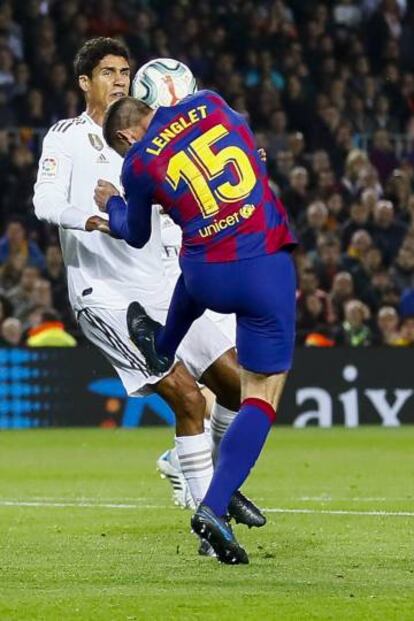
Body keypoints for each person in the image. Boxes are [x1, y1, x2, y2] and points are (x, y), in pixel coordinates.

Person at [33, 38, 264, 551]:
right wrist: (92, 216)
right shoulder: (67, 138)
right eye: (107, 71)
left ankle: (207, 481)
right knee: (186, 398)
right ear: (84, 83)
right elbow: (45, 201)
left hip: (163, 284)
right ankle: (212, 520)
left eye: (124, 70)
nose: (118, 78)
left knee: (238, 389)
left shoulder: (158, 140)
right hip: (107, 294)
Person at [96, 90, 297, 564]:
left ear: (126, 135)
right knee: (261, 395)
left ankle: (161, 343)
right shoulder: (208, 103)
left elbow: (136, 233)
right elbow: (252, 154)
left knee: (193, 261)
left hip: (205, 275)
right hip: (262, 260)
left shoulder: (139, 163)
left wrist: (113, 205)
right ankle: (213, 505)